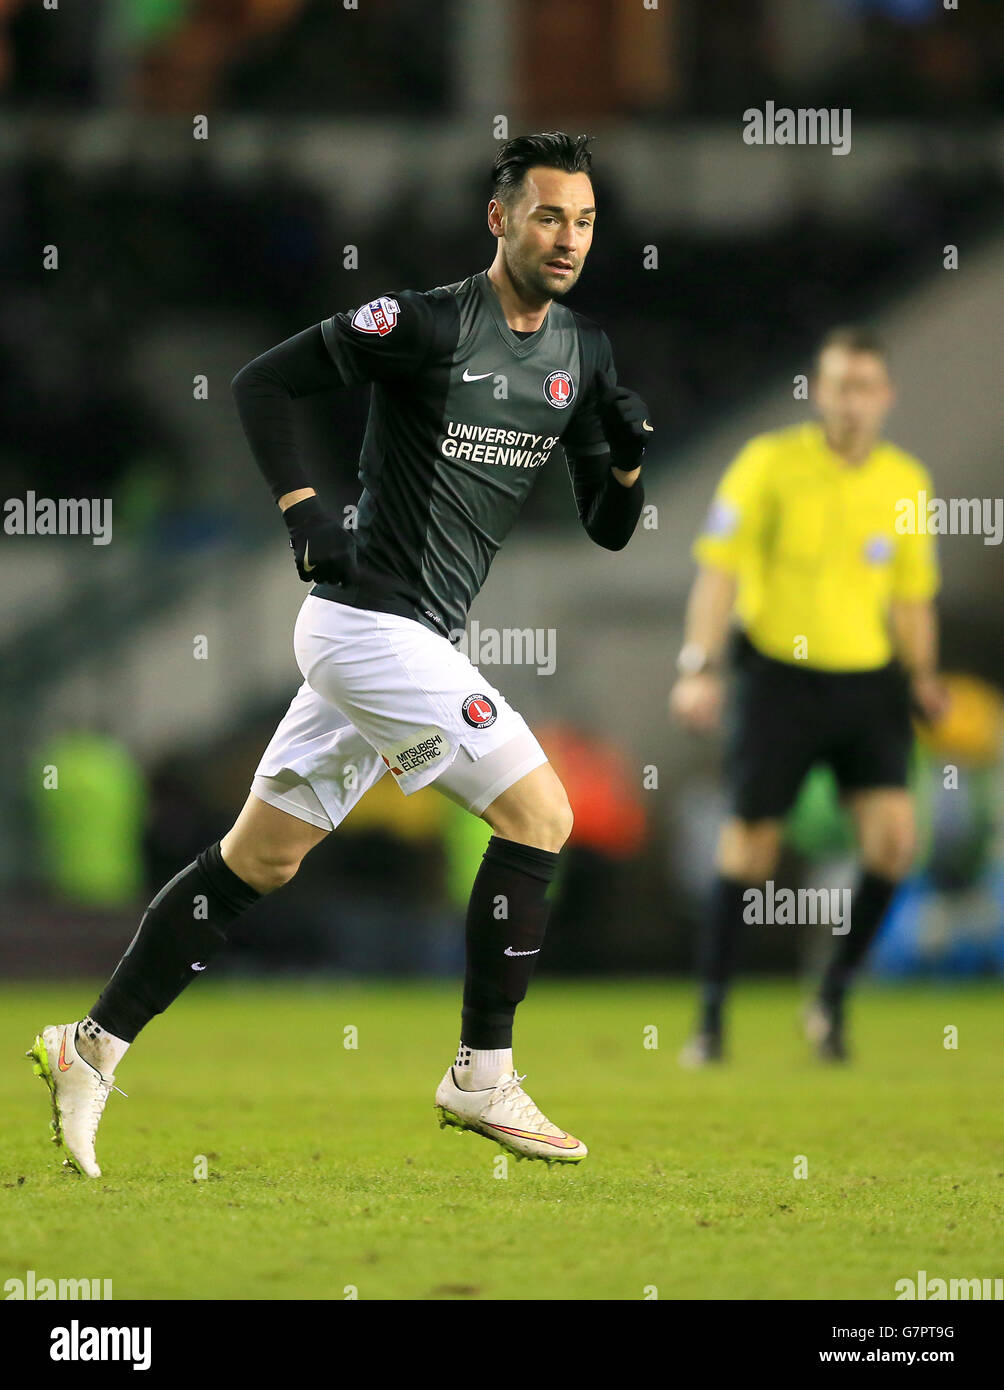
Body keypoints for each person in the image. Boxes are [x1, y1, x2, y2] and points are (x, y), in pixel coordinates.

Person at [29, 131, 654, 1175]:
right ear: (497, 219)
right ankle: (481, 1073)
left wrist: (627, 465)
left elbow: (606, 527)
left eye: (583, 221)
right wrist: (303, 508)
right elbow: (261, 384)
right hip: (367, 624)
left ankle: (88, 1045)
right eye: (547, 214)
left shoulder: (580, 354)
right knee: (541, 812)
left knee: (258, 857)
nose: (567, 238)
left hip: (412, 641)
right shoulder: (420, 322)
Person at [669, 327, 945, 1064]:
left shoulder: (906, 482)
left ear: (884, 397)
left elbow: (913, 596)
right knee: (750, 849)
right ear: (818, 392)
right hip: (778, 680)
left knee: (895, 842)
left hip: (869, 682)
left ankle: (831, 1000)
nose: (852, 402)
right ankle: (711, 1019)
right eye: (839, 386)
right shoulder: (768, 464)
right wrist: (699, 665)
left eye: (866, 387)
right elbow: (718, 570)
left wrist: (923, 675)